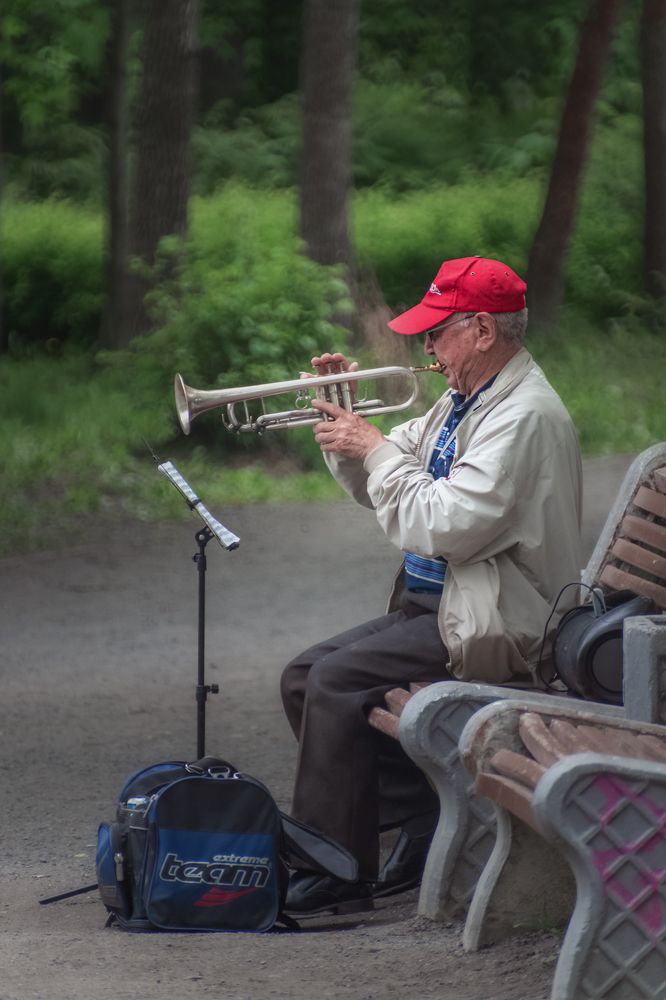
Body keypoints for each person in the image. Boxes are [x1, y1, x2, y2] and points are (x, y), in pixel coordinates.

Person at [280, 256, 582, 918]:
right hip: (445, 606)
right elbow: (386, 476)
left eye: (436, 333)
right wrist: (349, 431)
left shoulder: (523, 415)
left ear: (480, 330)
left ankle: (334, 866)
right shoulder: (465, 399)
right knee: (304, 675)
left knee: (335, 682)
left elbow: (443, 522)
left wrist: (377, 448)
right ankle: (418, 818)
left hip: (501, 620)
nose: (426, 349)